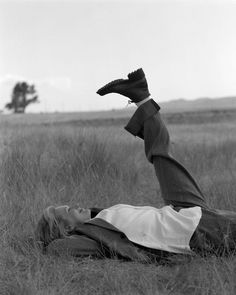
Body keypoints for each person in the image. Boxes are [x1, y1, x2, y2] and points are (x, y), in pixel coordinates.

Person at [35, 68, 236, 263]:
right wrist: (49, 239)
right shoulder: (94, 237)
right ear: (67, 228)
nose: (74, 206)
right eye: (68, 211)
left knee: (161, 157)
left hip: (182, 212)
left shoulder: (101, 218)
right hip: (194, 231)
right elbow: (56, 249)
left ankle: (141, 96)